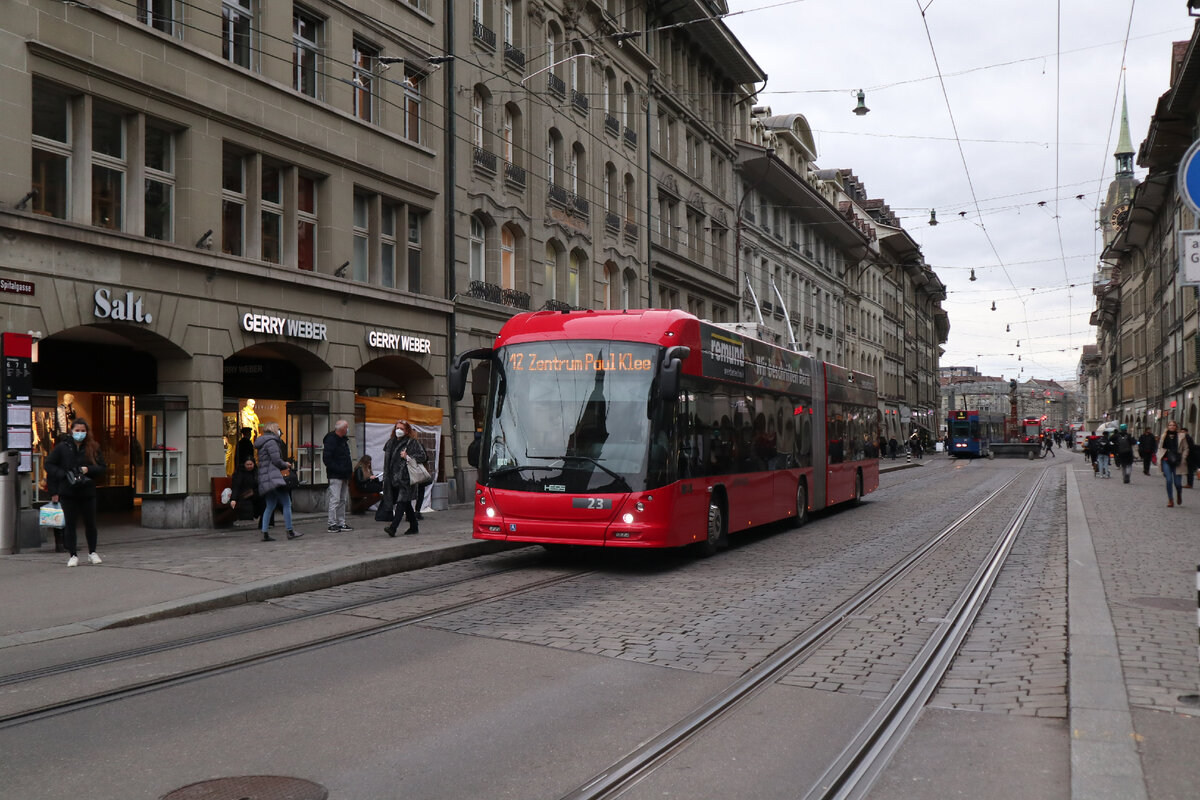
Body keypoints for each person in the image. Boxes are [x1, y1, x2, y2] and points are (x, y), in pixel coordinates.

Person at [44, 417, 106, 567]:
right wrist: (62, 475)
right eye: (77, 430)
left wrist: (88, 469)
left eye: (83, 431)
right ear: (71, 431)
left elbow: (102, 468)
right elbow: (49, 464)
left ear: (87, 432)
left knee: (90, 523)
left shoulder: (93, 447)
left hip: (87, 491)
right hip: (68, 491)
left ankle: (92, 552)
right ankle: (73, 554)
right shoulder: (62, 447)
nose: (80, 433)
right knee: (70, 524)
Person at [255, 421, 301, 541]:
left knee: (270, 505)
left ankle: (265, 532)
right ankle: (290, 531)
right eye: (278, 429)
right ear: (274, 430)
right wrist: (285, 464)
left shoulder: (262, 442)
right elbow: (276, 460)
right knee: (286, 503)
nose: (280, 431)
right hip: (273, 477)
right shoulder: (272, 442)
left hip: (265, 478)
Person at [382, 419, 427, 536]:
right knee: (406, 503)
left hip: (406, 478)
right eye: (397, 428)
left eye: (401, 429)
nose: (399, 431)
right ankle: (414, 526)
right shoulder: (390, 442)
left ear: (407, 430)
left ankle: (393, 528)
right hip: (392, 478)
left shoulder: (411, 442)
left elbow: (423, 456)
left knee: (401, 502)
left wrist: (408, 456)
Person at [322, 419, 353, 533]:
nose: (348, 429)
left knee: (342, 499)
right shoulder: (331, 440)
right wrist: (339, 469)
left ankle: (341, 523)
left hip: (344, 474)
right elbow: (327, 459)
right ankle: (332, 523)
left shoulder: (343, 440)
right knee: (335, 499)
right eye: (346, 427)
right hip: (336, 474)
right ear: (343, 429)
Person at [1158, 420, 1188, 508]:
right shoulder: (1164, 436)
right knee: (1169, 480)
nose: (1171, 426)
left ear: (1176, 427)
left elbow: (1186, 448)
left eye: (1173, 425)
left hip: (1178, 461)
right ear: (1168, 426)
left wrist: (1183, 457)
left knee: (1178, 483)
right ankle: (1170, 499)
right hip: (1166, 460)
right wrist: (1159, 456)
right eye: (1170, 425)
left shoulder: (1181, 436)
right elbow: (1160, 447)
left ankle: (1179, 493)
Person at [229, 458, 265, 523]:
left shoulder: (256, 472)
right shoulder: (240, 473)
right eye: (247, 464)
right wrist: (233, 499)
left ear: (254, 464)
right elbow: (236, 486)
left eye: (251, 464)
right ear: (244, 465)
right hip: (243, 495)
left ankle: (262, 521)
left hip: (254, 494)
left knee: (264, 501)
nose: (249, 466)